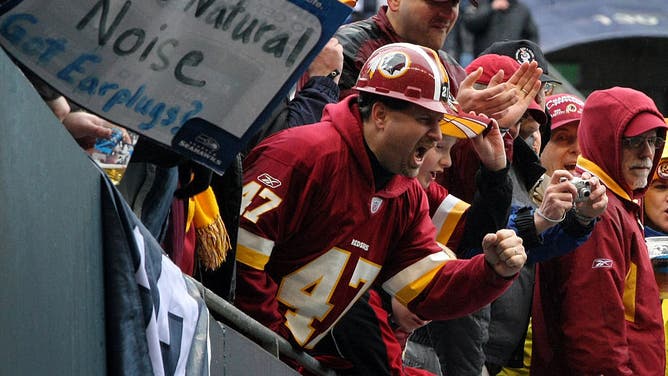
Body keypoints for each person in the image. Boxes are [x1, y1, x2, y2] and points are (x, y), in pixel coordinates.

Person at [234, 42, 527, 374]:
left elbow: (428, 286)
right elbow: (238, 266)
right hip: (238, 351)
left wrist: (491, 272)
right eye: (425, 119)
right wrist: (273, 350)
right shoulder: (301, 155)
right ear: (380, 115)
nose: (435, 136)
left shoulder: (406, 194)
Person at [532, 87, 668, 375]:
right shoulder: (597, 207)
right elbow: (594, 336)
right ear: (605, 140)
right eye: (634, 142)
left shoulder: (618, 202)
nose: (647, 153)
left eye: (654, 141)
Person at [334, 0, 539, 123]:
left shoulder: (453, 72)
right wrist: (457, 116)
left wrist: (497, 129)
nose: (448, 13)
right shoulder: (348, 49)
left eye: (454, 3)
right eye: (435, 2)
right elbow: (357, 139)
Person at [462, 0, 539, 57]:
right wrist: (491, 8)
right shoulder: (482, 4)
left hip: (512, 59)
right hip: (485, 58)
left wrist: (525, 53)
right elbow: (470, 24)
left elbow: (532, 35)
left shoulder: (521, 9)